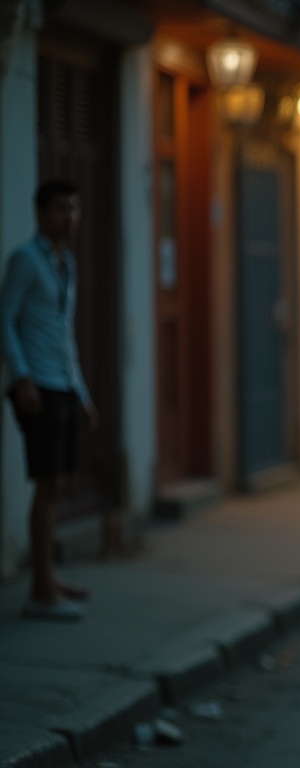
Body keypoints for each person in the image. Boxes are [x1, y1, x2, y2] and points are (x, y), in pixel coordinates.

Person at [0, 179, 99, 622]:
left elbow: (64, 333)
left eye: (74, 210)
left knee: (57, 484)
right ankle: (40, 590)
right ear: (41, 213)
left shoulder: (66, 264)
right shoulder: (24, 260)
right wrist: (21, 377)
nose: (69, 218)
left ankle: (49, 577)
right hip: (36, 387)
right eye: (61, 209)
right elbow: (6, 319)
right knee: (46, 485)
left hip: (61, 385)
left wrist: (81, 393)